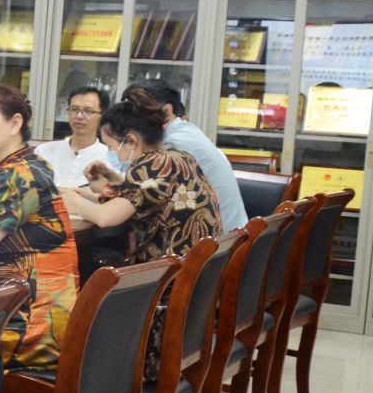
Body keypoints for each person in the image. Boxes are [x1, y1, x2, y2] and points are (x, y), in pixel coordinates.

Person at [61, 88, 223, 376]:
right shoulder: (176, 157)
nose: (113, 153)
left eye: (112, 146)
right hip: (191, 297)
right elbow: (141, 196)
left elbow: (106, 218)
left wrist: (72, 200)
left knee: (84, 295)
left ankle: (88, 379)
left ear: (132, 140)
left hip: (161, 298)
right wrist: (108, 183)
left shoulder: (152, 165)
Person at [0, 83, 79, 372]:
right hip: (30, 311)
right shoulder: (18, 164)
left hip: (28, 326)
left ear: (15, 123)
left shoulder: (16, 175)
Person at [124, 79, 246, 231]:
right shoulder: (186, 131)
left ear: (167, 111)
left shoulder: (173, 144)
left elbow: (137, 197)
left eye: (135, 114)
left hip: (216, 240)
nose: (128, 122)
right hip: (231, 235)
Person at [35, 85, 122, 188]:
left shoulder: (112, 159)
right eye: (74, 109)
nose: (79, 116)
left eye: (88, 111)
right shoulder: (44, 151)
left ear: (102, 117)